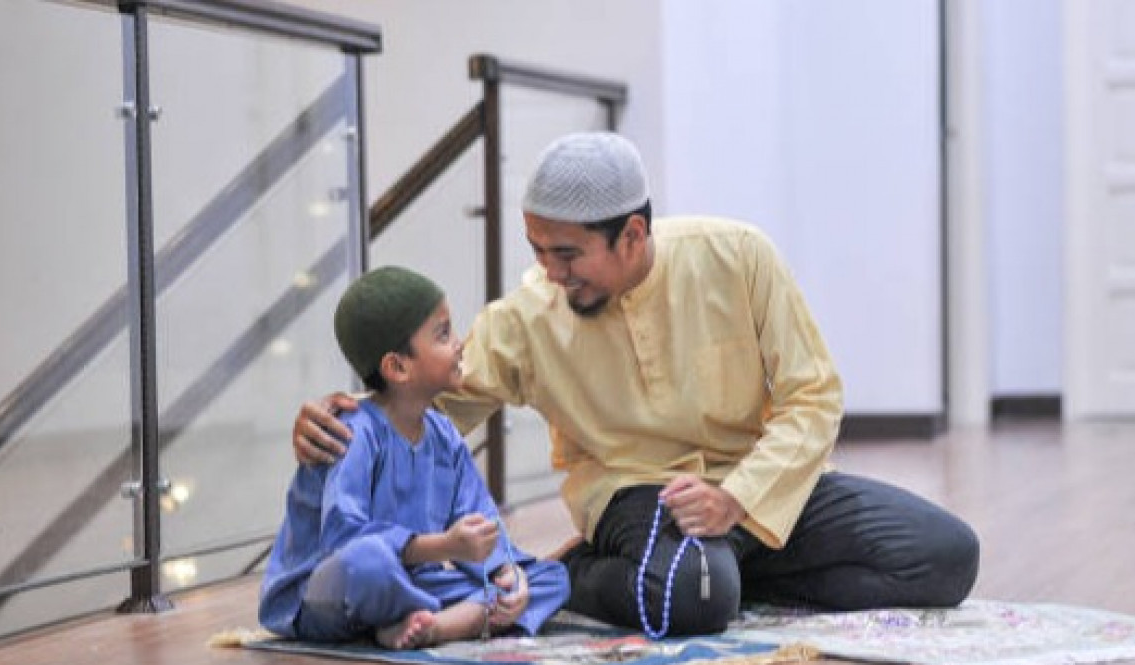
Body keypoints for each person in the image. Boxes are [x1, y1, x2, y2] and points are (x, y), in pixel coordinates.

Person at [292, 132, 979, 637]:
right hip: (639, 492)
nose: (551, 272)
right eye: (537, 250)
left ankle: (718, 574)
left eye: (567, 253)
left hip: (759, 492)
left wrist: (737, 498)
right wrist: (343, 420)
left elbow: (813, 395)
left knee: (945, 558)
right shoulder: (529, 317)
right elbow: (426, 404)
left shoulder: (736, 256)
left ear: (633, 233)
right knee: (693, 595)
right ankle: (569, 575)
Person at [260, 265, 569, 649]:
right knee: (368, 560)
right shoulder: (353, 431)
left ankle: (430, 624)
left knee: (549, 577)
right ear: (397, 367)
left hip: (413, 582)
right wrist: (446, 548)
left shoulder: (443, 434)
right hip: (326, 591)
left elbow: (481, 519)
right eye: (443, 334)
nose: (459, 343)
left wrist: (507, 572)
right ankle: (462, 617)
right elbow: (344, 538)